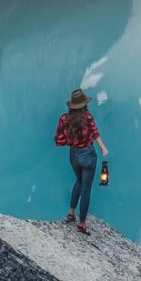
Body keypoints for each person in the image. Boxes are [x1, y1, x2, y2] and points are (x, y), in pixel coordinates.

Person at [54, 88, 109, 235]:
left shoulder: (64, 119)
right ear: (84, 105)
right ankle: (82, 223)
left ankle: (71, 213)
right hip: (88, 155)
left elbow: (58, 141)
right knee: (86, 189)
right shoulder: (88, 117)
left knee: (78, 180)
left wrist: (72, 141)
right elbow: (95, 132)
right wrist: (103, 148)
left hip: (74, 155)